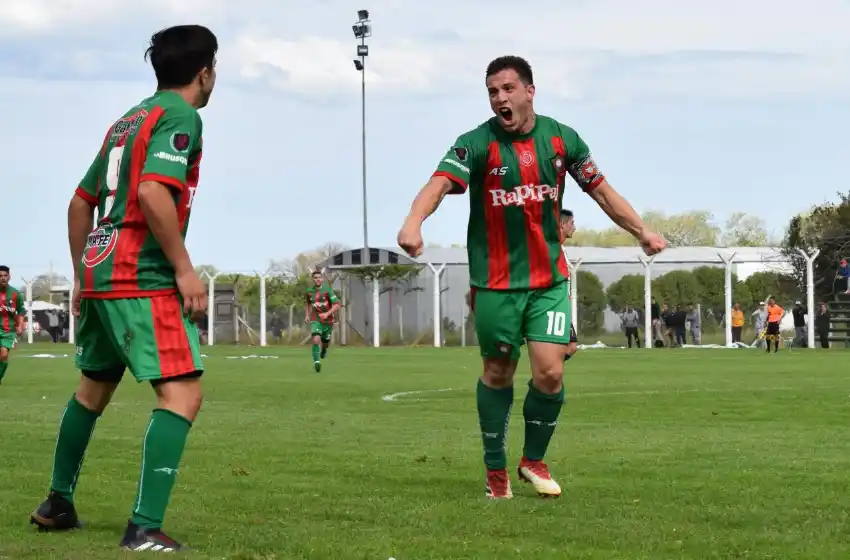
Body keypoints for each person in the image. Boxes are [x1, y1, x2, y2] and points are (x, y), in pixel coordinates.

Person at [396, 55, 666, 499]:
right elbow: (439, 183)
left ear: (529, 91)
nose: (500, 98)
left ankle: (533, 461)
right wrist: (414, 222)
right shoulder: (475, 144)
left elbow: (600, 190)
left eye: (507, 89)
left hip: (548, 282)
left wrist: (642, 231)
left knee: (551, 374)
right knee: (498, 373)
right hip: (496, 284)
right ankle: (495, 468)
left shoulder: (561, 139)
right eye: (492, 92)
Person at [29, 25, 218, 552]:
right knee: (182, 394)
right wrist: (182, 268)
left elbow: (79, 201)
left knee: (92, 390)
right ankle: (144, 527)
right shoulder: (181, 116)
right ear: (206, 71)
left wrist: (79, 275)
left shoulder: (128, 120)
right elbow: (154, 191)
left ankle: (57, 503)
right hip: (141, 273)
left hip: (100, 268)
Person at [305, 270, 340, 372]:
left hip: (328, 321)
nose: (317, 279)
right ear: (312, 279)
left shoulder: (327, 291)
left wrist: (327, 314)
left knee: (325, 342)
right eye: (315, 277)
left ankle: (324, 350)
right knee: (316, 339)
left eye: (319, 277)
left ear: (322, 279)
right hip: (316, 319)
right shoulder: (309, 292)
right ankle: (317, 362)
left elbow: (337, 305)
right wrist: (307, 315)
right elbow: (307, 303)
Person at [558, 209, 578, 361]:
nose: (574, 227)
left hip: (561, 302)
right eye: (572, 223)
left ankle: (547, 373)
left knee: (571, 346)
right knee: (568, 346)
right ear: (562, 224)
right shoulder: (551, 248)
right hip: (552, 304)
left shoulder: (561, 249)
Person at [0, 265, 25, 385]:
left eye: (5, 275)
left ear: (9, 277)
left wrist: (20, 325)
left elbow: (21, 311)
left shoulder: (16, 294)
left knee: (4, 355)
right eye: (0, 276)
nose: (3, 278)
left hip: (8, 330)